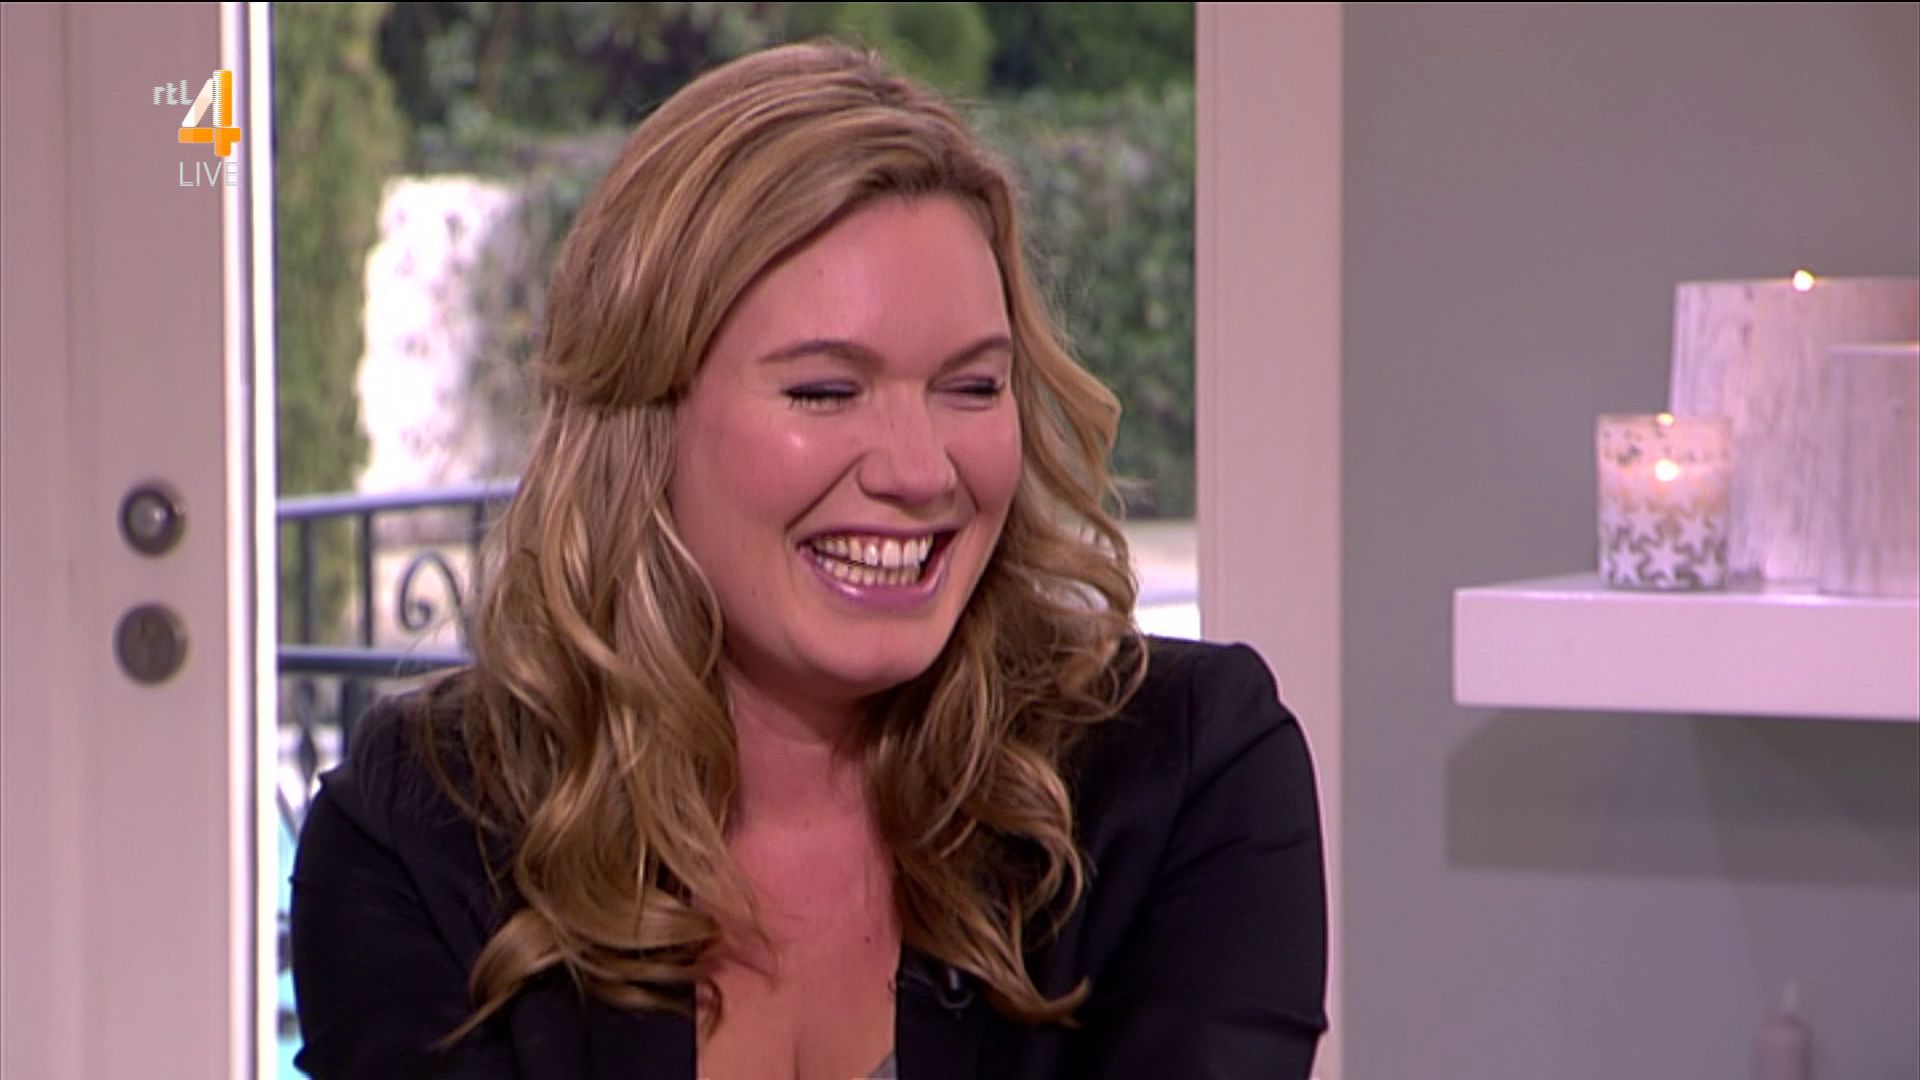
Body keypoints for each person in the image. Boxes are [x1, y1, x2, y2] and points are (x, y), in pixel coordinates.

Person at [291, 41, 1326, 1080]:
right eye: (825, 392)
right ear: (644, 420)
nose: (921, 472)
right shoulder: (417, 833)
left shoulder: (1188, 770)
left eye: (973, 387)